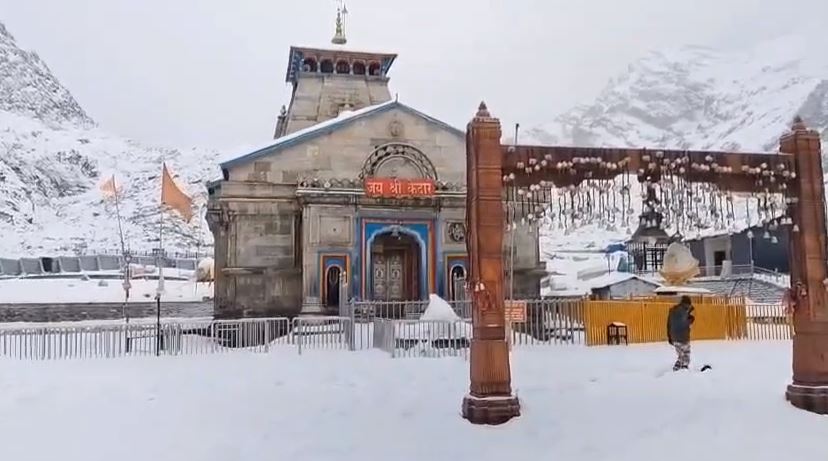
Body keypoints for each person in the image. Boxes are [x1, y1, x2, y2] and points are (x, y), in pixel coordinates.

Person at [667, 295, 695, 371]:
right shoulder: (683, 310)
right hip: (683, 338)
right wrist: (691, 320)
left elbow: (669, 324)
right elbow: (683, 322)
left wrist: (669, 337)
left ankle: (677, 370)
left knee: (681, 356)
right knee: (686, 355)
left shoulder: (673, 310)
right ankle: (683, 371)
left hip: (674, 337)